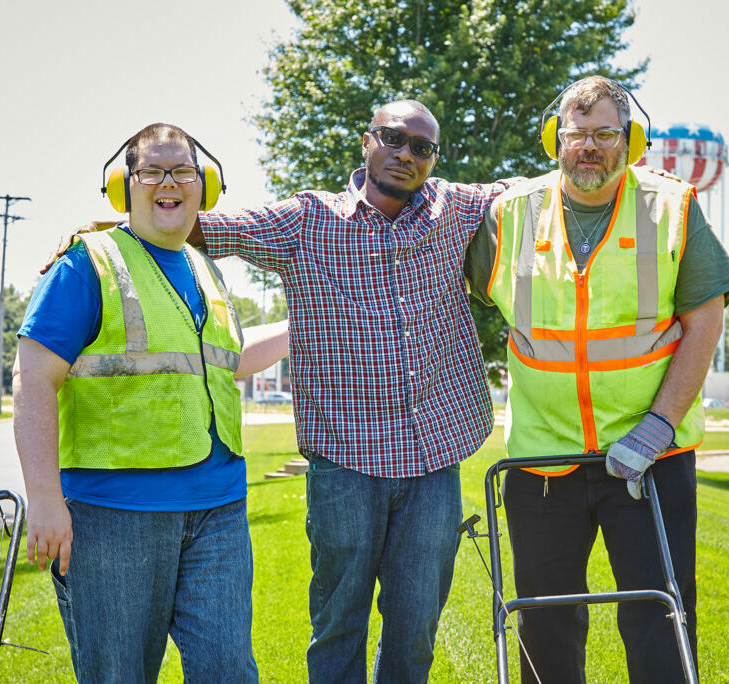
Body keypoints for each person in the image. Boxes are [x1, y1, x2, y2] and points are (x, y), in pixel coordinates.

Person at [189, 100, 514, 683]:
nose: (406, 154)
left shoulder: (452, 207)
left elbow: (533, 189)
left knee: (416, 625)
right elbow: (206, 229)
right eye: (394, 138)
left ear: (432, 159)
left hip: (433, 458)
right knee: (339, 622)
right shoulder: (306, 221)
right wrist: (112, 230)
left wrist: (635, 175)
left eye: (422, 147)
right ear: (367, 142)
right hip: (345, 461)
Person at [464, 76, 729, 683]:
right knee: (545, 622)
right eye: (577, 134)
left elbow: (705, 322)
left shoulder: (672, 207)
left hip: (651, 457)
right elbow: (441, 294)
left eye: (606, 134)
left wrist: (659, 427)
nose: (589, 146)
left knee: (659, 620)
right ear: (554, 140)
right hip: (541, 462)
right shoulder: (509, 214)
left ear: (631, 140)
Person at [13, 123, 287, 683]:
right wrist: (43, 498)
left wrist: (309, 323)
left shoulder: (206, 271)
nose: (169, 182)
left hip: (218, 512)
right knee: (119, 675)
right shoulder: (88, 263)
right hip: (115, 516)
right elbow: (33, 377)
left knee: (229, 672)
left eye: (183, 170)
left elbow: (225, 361)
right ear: (125, 186)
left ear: (203, 184)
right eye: (152, 171)